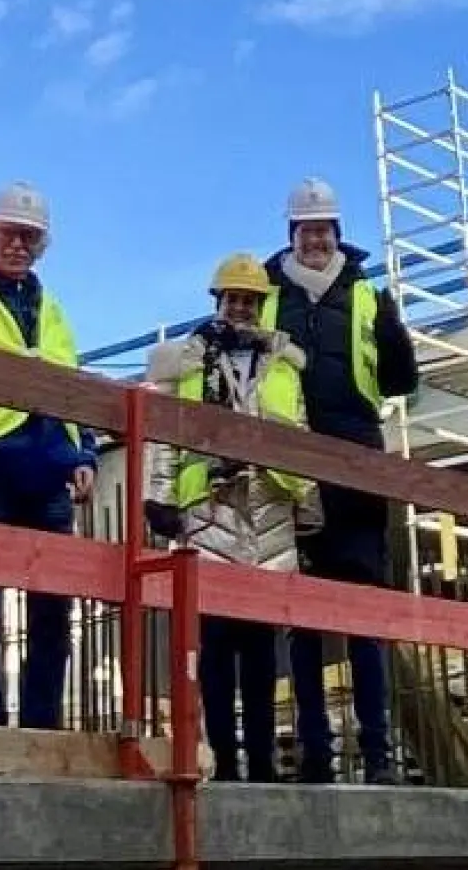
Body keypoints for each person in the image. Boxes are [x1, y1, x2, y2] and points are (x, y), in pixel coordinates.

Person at [143, 254, 321, 783]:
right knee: (216, 647)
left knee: (263, 651)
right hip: (210, 507)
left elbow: (300, 434)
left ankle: (262, 765)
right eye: (233, 298)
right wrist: (160, 496)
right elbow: (163, 431)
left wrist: (308, 503)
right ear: (218, 301)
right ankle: (221, 760)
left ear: (262, 307)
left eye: (250, 300)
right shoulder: (188, 361)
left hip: (269, 507)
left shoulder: (284, 366)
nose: (241, 307)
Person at [263, 177, 418, 784]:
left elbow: (402, 379)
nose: (317, 238)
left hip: (357, 456)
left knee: (365, 611)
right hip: (288, 460)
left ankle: (377, 754)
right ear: (292, 234)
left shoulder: (367, 296)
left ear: (338, 233)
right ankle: (316, 755)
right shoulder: (267, 296)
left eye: (325, 228)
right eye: (307, 229)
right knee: (301, 613)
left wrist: (395, 328)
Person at [0, 181, 97, 729]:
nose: (18, 245)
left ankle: (42, 725)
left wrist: (85, 454)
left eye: (29, 237)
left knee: (53, 608)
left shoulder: (52, 309)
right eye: (9, 234)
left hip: (46, 470)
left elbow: (72, 386)